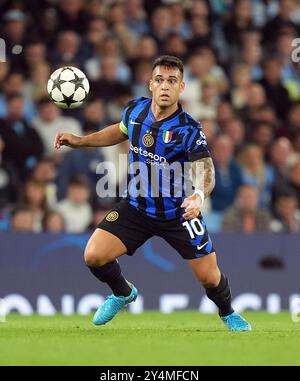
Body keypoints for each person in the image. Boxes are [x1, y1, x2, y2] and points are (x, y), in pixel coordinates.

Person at [54, 55, 251, 332]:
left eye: (172, 81)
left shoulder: (189, 129)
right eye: (159, 80)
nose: (165, 86)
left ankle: (228, 313)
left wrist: (198, 196)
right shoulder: (135, 110)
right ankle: (123, 292)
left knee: (209, 277)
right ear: (150, 84)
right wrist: (81, 141)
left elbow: (205, 169)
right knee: (94, 255)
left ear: (181, 87)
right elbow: (120, 131)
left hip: (178, 212)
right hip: (137, 207)